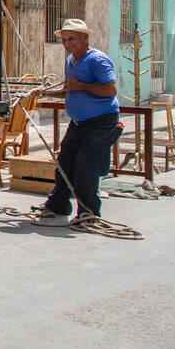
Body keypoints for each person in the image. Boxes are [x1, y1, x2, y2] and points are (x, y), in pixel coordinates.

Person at [35, 19, 122, 226]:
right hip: (79, 123)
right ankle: (58, 204)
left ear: (85, 37)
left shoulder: (97, 60)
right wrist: (43, 93)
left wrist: (81, 85)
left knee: (85, 166)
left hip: (101, 123)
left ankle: (88, 213)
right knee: (64, 163)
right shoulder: (70, 61)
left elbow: (110, 90)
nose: (67, 44)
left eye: (72, 39)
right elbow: (70, 89)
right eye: (64, 40)